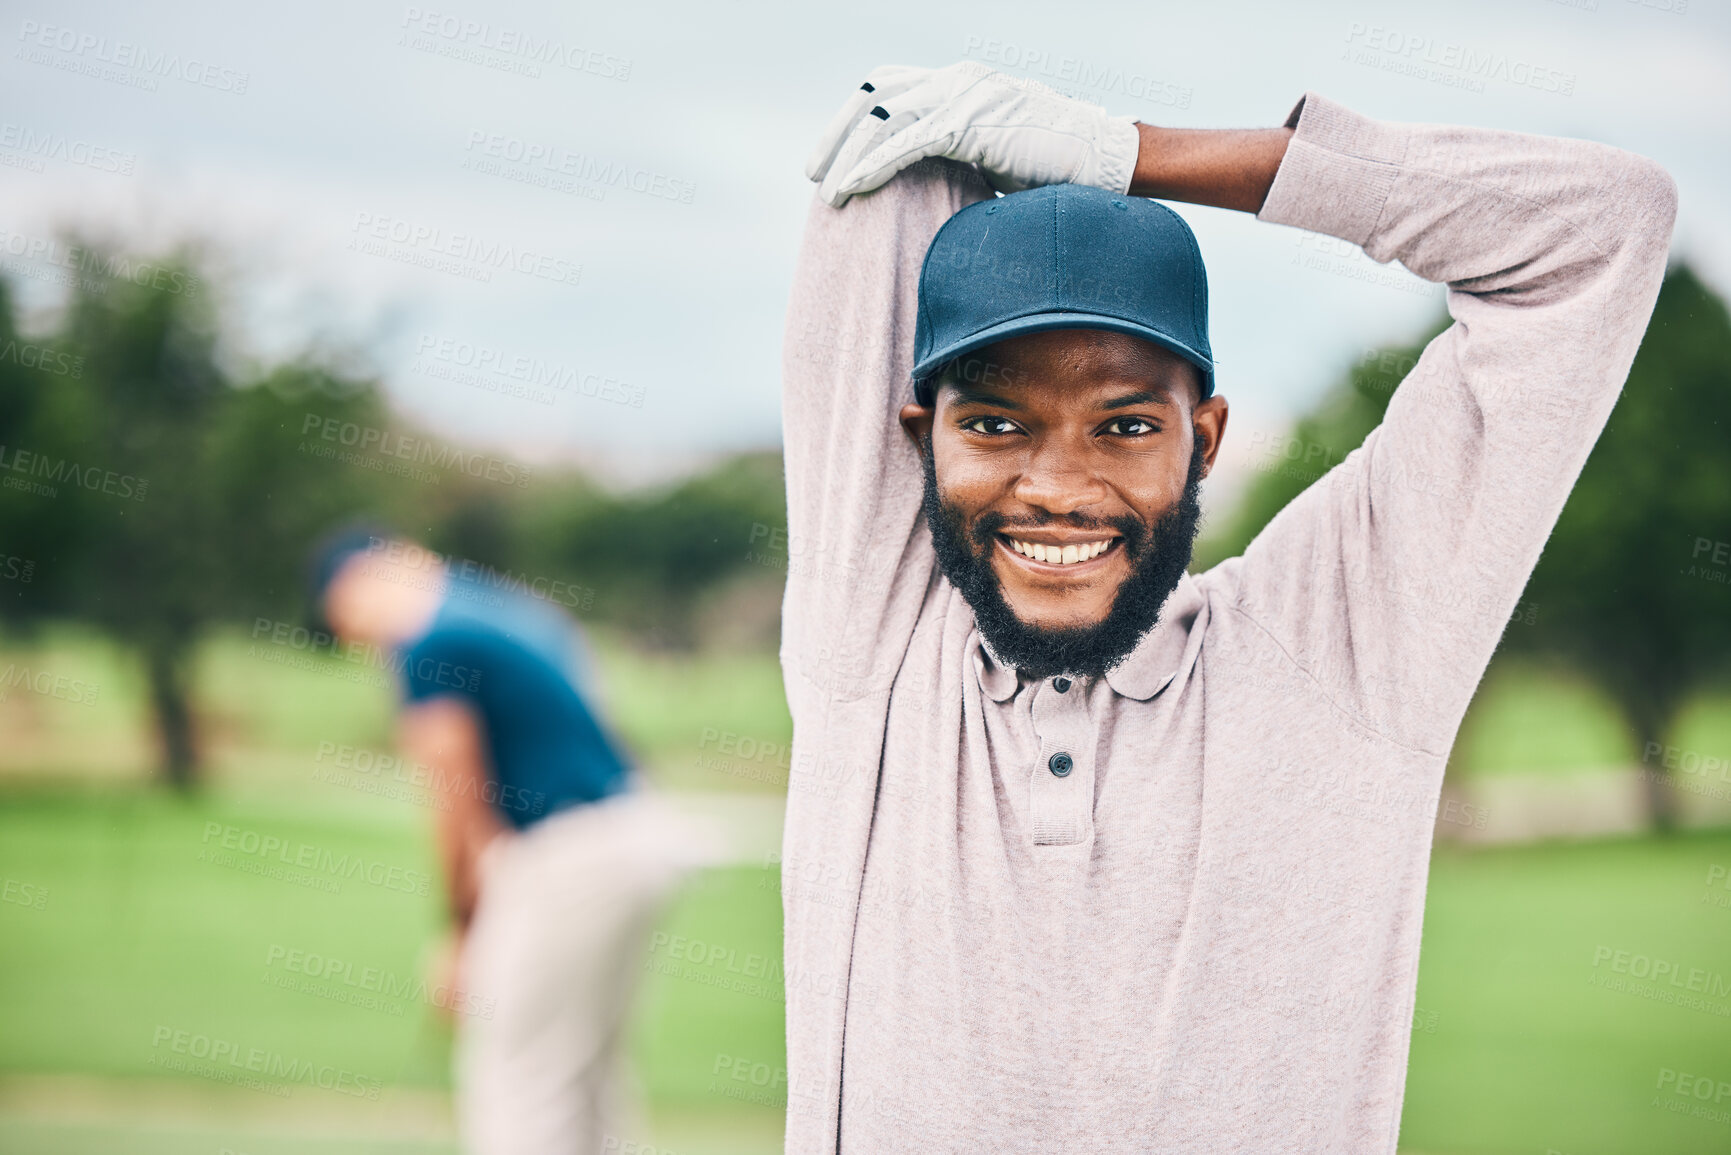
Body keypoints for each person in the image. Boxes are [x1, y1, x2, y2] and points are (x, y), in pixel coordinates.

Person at [778, 62, 1676, 1151]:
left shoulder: (1343, 650)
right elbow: (891, 162)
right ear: (920, 438)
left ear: (1202, 438)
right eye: (998, 426)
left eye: (1123, 426)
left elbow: (1602, 226)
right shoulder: (874, 647)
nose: (1058, 488)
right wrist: (989, 151)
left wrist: (1129, 155)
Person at [307, 530, 726, 1154]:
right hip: (632, 833)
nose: (357, 643)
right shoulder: (497, 605)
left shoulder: (429, 638)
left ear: (355, 585)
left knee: (518, 1078)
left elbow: (455, 799)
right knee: (586, 1072)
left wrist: (460, 933)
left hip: (571, 857)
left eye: (342, 622)